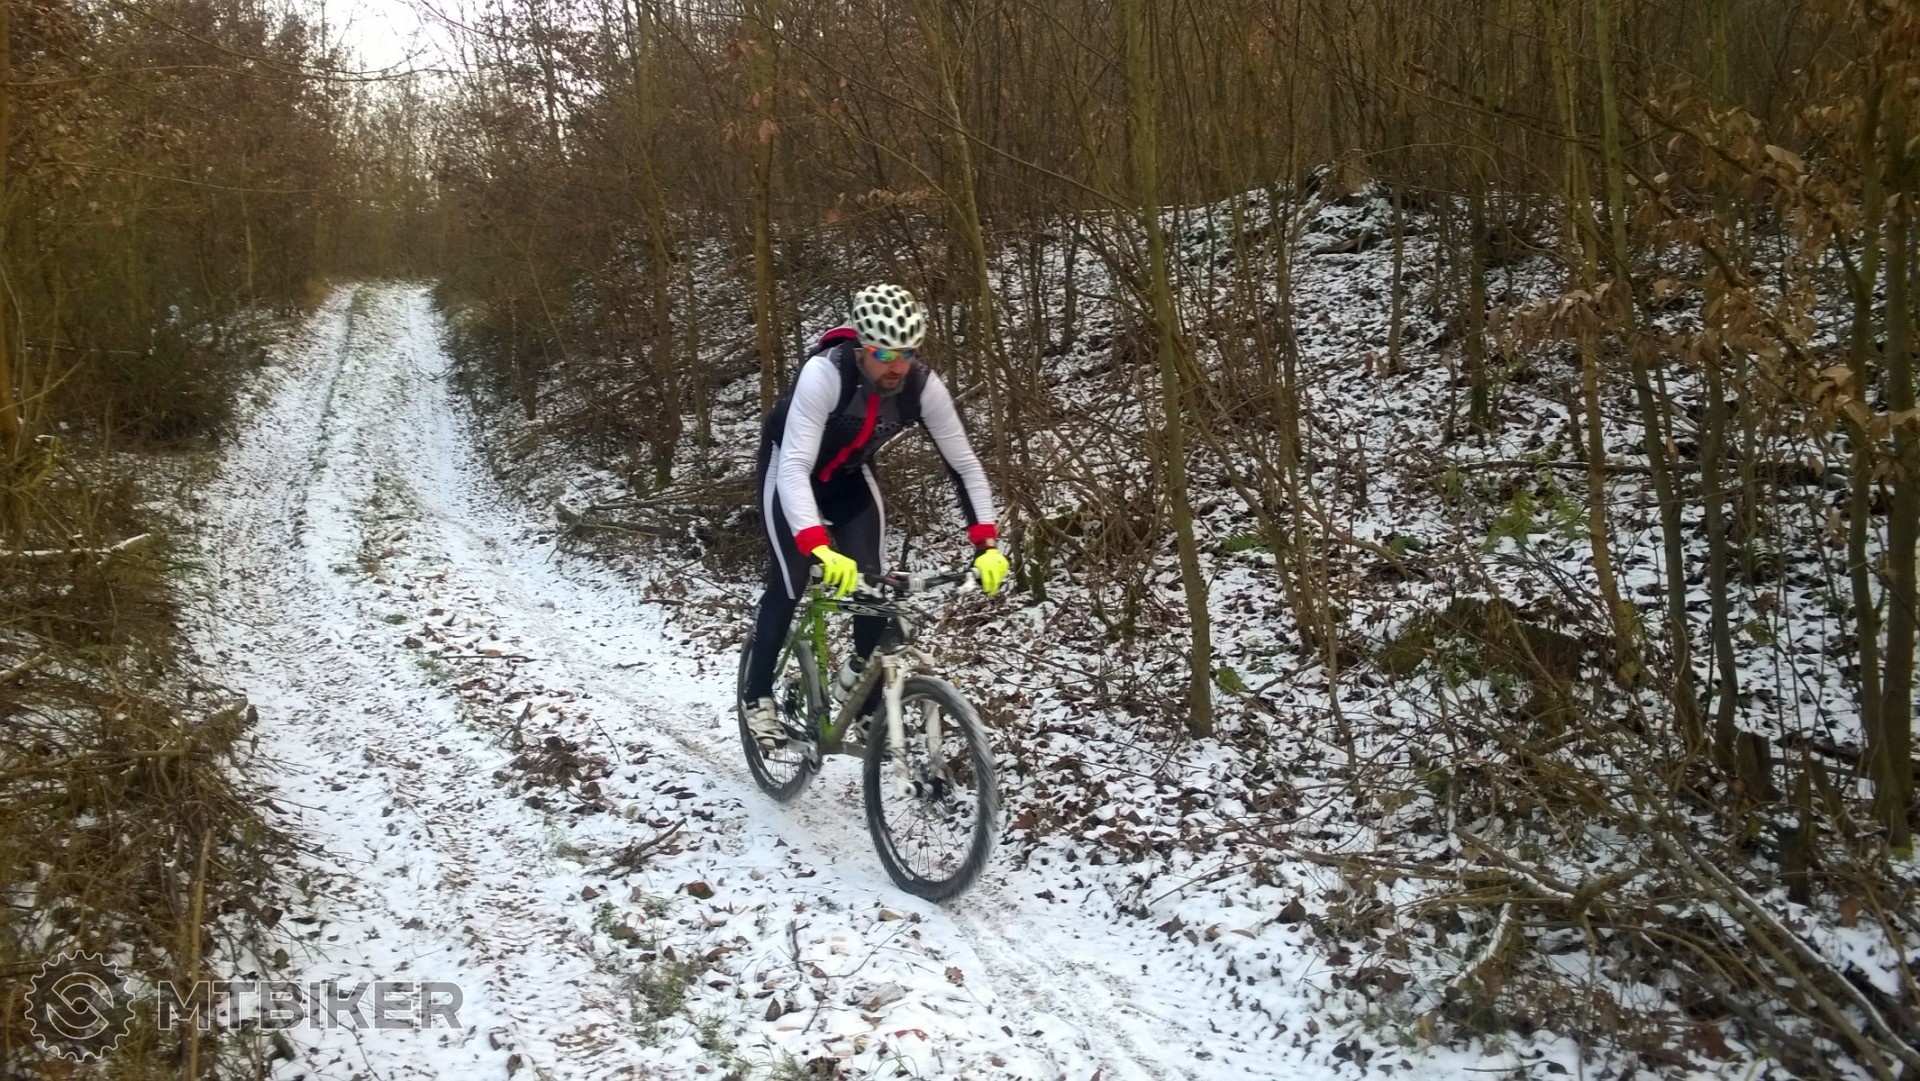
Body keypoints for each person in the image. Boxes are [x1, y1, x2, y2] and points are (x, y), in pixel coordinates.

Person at [741, 283, 1009, 751]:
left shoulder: (921, 386)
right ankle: (757, 694)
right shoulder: (825, 374)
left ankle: (863, 705)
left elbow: (964, 465)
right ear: (863, 346)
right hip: (788, 471)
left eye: (907, 352)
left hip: (848, 478)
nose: (896, 365)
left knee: (873, 586)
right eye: (884, 353)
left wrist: (986, 544)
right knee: (791, 578)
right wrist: (818, 545)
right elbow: (795, 467)